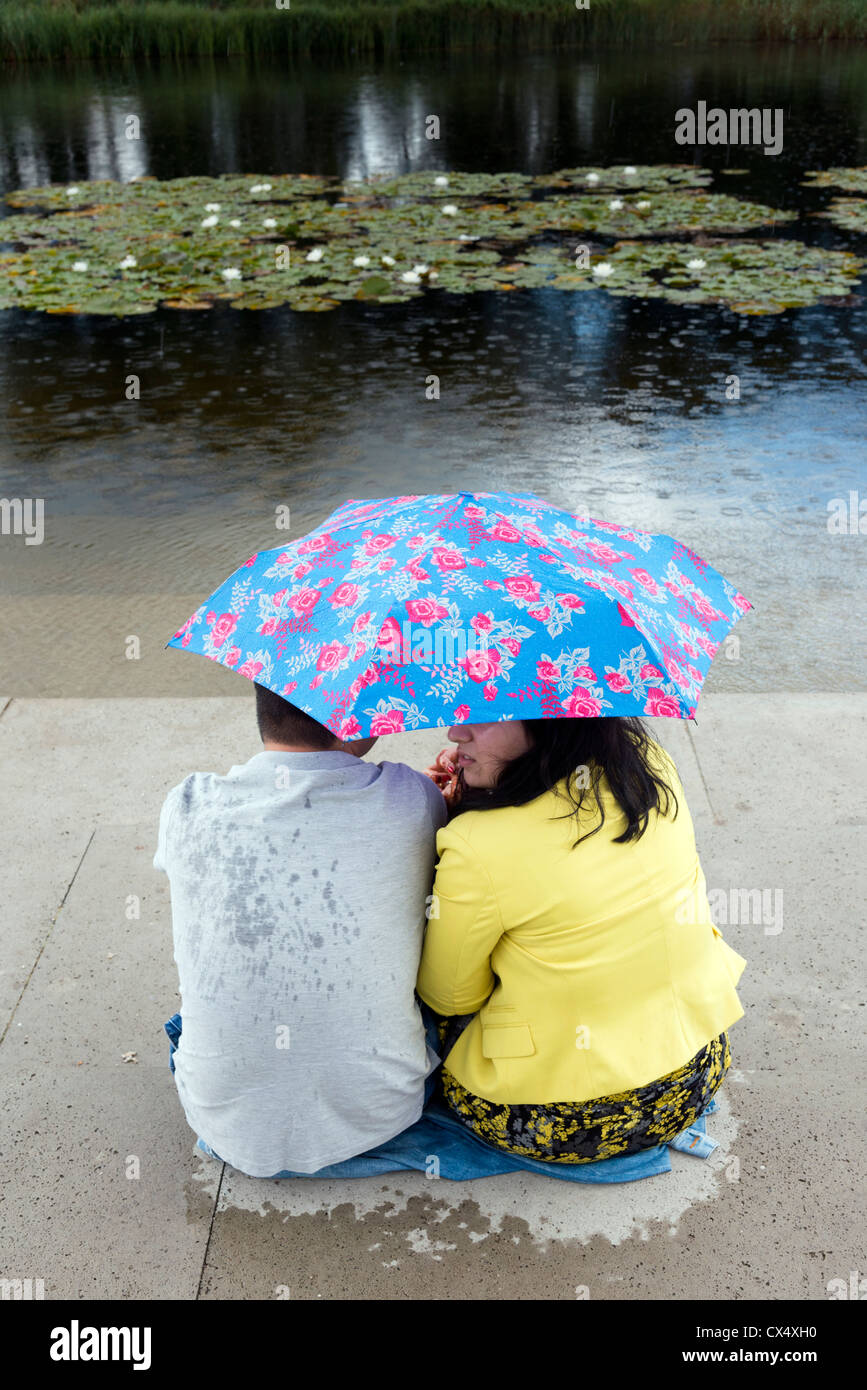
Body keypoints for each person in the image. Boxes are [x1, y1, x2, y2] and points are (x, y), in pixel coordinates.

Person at [417, 717, 747, 1163]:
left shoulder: (477, 844)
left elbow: (449, 995)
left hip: (561, 1120)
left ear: (549, 728)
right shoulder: (650, 765)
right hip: (692, 1075)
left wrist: (452, 815)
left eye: (486, 718)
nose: (456, 733)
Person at [153, 683, 446, 1177]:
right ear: (365, 720)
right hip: (382, 1114)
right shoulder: (413, 798)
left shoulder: (186, 803)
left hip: (224, 1121)